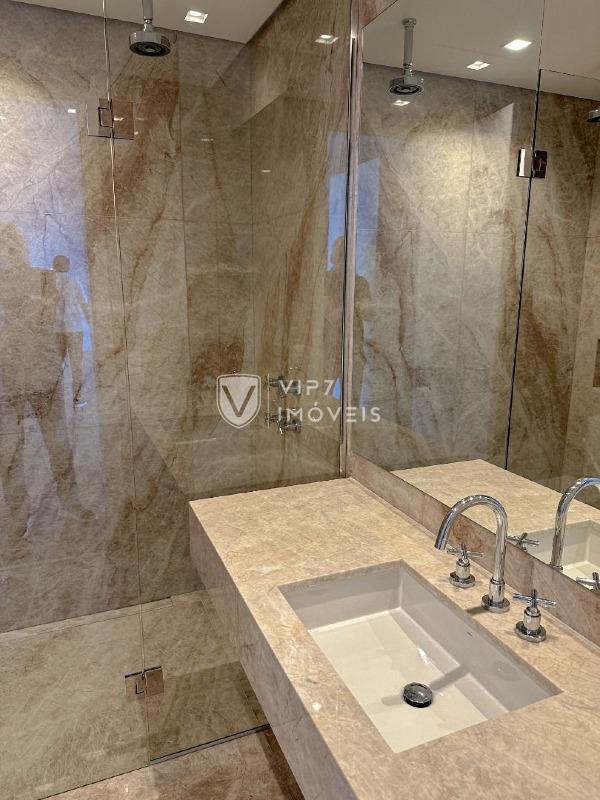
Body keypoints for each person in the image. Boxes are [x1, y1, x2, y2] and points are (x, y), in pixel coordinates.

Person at [52, 255, 90, 408]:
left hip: (56, 329)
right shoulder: (74, 282)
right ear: (67, 264)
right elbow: (84, 305)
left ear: (54, 265)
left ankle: (55, 402)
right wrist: (92, 324)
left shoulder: (48, 283)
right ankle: (77, 398)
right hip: (74, 328)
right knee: (76, 365)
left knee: (56, 365)